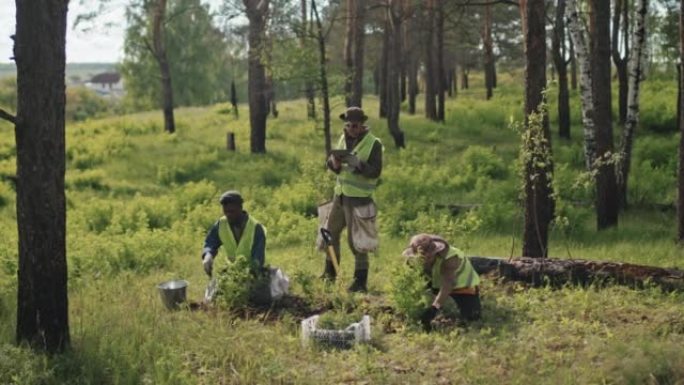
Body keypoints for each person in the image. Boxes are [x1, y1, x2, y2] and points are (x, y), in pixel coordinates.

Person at [320, 106, 383, 293]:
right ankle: (329, 274)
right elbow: (333, 166)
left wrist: (359, 165)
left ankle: (360, 282)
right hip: (340, 195)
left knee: (357, 241)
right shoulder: (342, 138)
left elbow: (375, 172)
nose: (351, 129)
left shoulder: (374, 144)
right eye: (348, 125)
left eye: (355, 125)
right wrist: (335, 163)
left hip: (360, 198)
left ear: (363, 125)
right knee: (328, 234)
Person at [402, 233, 482, 331]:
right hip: (437, 284)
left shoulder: (450, 258)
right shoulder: (412, 260)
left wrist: (435, 308)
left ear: (435, 251)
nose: (426, 260)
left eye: (429, 257)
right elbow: (411, 280)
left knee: (472, 317)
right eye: (422, 258)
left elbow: (448, 285)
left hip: (463, 288)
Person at [201, 190, 266, 278]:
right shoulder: (221, 224)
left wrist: (244, 277)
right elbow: (211, 242)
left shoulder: (256, 228)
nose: (229, 215)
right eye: (226, 211)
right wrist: (208, 256)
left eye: (232, 211)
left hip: (254, 274)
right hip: (232, 271)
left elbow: (257, 261)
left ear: (240, 208)